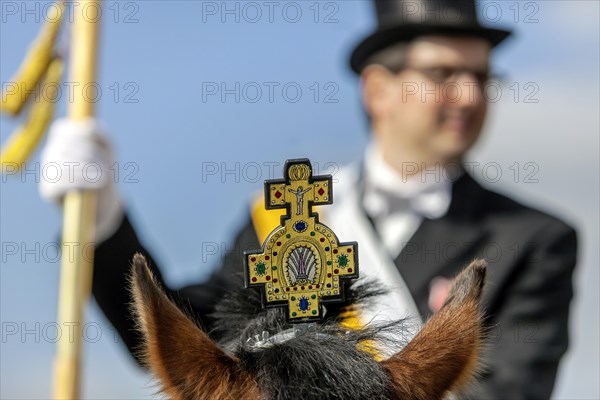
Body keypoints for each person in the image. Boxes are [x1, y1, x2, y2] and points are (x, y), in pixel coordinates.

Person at [40, 0, 578, 398]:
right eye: (443, 74)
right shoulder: (290, 214)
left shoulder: (533, 238)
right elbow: (186, 337)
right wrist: (102, 216)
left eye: (482, 77)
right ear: (377, 90)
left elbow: (510, 389)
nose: (469, 95)